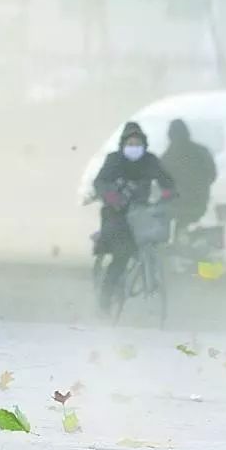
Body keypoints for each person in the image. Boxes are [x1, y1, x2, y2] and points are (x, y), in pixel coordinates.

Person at [93, 122, 175, 313]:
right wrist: (111, 196)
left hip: (140, 212)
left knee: (152, 241)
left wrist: (168, 193)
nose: (134, 147)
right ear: (123, 144)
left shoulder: (150, 161)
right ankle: (106, 297)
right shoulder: (114, 160)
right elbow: (100, 182)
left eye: (137, 143)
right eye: (130, 143)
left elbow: (167, 181)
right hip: (116, 213)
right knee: (122, 253)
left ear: (144, 145)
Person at [160, 119, 217, 234]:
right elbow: (213, 175)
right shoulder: (202, 152)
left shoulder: (168, 156)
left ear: (170, 136)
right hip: (199, 202)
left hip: (176, 205)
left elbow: (162, 183)